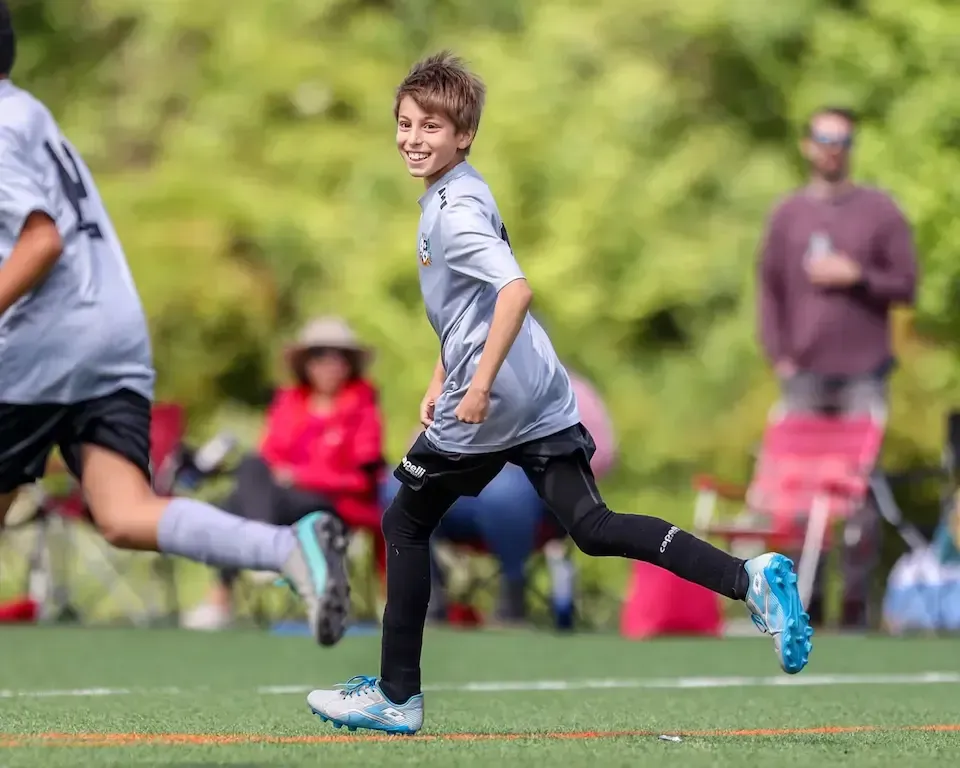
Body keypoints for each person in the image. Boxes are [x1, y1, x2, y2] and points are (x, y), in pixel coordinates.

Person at [306, 51, 813, 735]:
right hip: (541, 386)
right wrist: (441, 372)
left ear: (464, 136)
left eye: (431, 126)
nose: (414, 138)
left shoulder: (451, 213)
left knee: (404, 521)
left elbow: (515, 289)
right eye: (404, 123)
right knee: (593, 527)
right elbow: (473, 304)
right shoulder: (466, 189)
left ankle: (397, 697)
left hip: (498, 396)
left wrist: (476, 385)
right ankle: (748, 578)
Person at [0, 3, 349, 647]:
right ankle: (286, 548)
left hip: (40, 342)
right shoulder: (28, 112)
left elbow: (40, 240)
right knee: (124, 512)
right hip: (112, 332)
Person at [758, 106, 917, 627]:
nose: (833, 147)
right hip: (803, 374)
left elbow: (907, 285)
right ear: (807, 145)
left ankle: (853, 606)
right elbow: (769, 289)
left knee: (855, 494)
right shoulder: (788, 215)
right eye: (824, 137)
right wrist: (778, 352)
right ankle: (806, 600)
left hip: (863, 372)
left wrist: (859, 276)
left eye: (843, 139)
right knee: (798, 496)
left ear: (852, 147)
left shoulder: (879, 211)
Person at [183, 317, 383, 630]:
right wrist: (284, 477)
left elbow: (361, 479)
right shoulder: (290, 402)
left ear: (349, 364)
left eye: (338, 356)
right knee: (248, 469)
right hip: (279, 501)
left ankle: (227, 588)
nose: (328, 364)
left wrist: (301, 476)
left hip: (332, 506)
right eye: (319, 355)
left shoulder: (363, 407)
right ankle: (260, 546)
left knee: (232, 506)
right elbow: (269, 458)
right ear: (306, 363)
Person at [379, 368, 616, 626]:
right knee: (401, 484)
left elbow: (602, 454)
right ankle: (424, 593)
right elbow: (422, 441)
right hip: (465, 501)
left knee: (504, 489)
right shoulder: (464, 382)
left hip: (538, 504)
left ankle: (513, 592)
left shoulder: (569, 389)